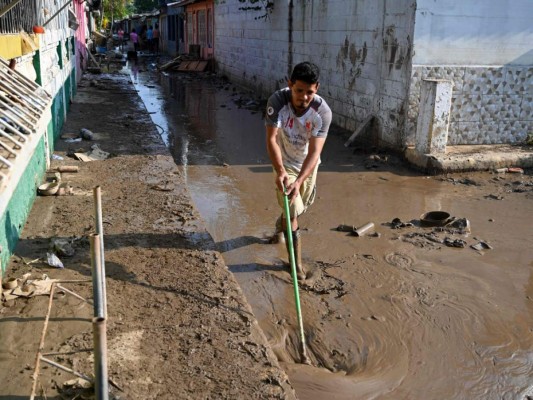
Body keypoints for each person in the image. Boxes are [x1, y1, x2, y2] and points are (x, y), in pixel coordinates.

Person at [265, 61, 332, 280]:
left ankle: (280, 223)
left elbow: (315, 152)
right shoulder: (277, 102)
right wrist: (281, 172)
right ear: (290, 84)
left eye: (309, 93)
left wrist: (300, 180)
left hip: (307, 166)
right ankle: (296, 266)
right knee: (294, 209)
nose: (303, 98)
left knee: (300, 207)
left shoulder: (322, 112)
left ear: (317, 88)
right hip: (285, 164)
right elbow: (271, 139)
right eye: (298, 91)